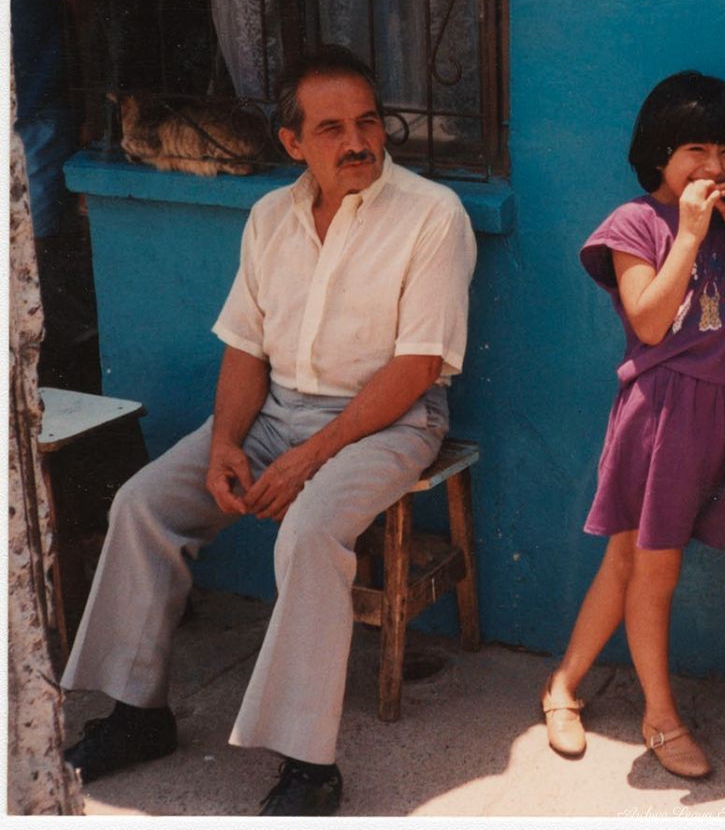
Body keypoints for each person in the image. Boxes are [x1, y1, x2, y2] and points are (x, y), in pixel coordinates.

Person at [60, 45, 477, 816]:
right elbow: (246, 348)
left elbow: (417, 367)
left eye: (367, 122)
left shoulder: (431, 215)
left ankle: (309, 764)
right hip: (276, 410)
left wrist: (311, 457)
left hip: (388, 420)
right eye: (330, 129)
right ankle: (137, 715)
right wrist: (226, 442)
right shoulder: (270, 218)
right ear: (292, 142)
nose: (356, 142)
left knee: (310, 532)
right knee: (143, 505)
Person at [540, 71, 725, 779]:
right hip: (664, 418)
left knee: (627, 561)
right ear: (659, 153)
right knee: (655, 571)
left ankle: (562, 686)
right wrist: (690, 234)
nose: (714, 167)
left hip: (721, 417)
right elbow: (647, 322)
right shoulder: (636, 223)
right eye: (696, 150)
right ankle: (659, 716)